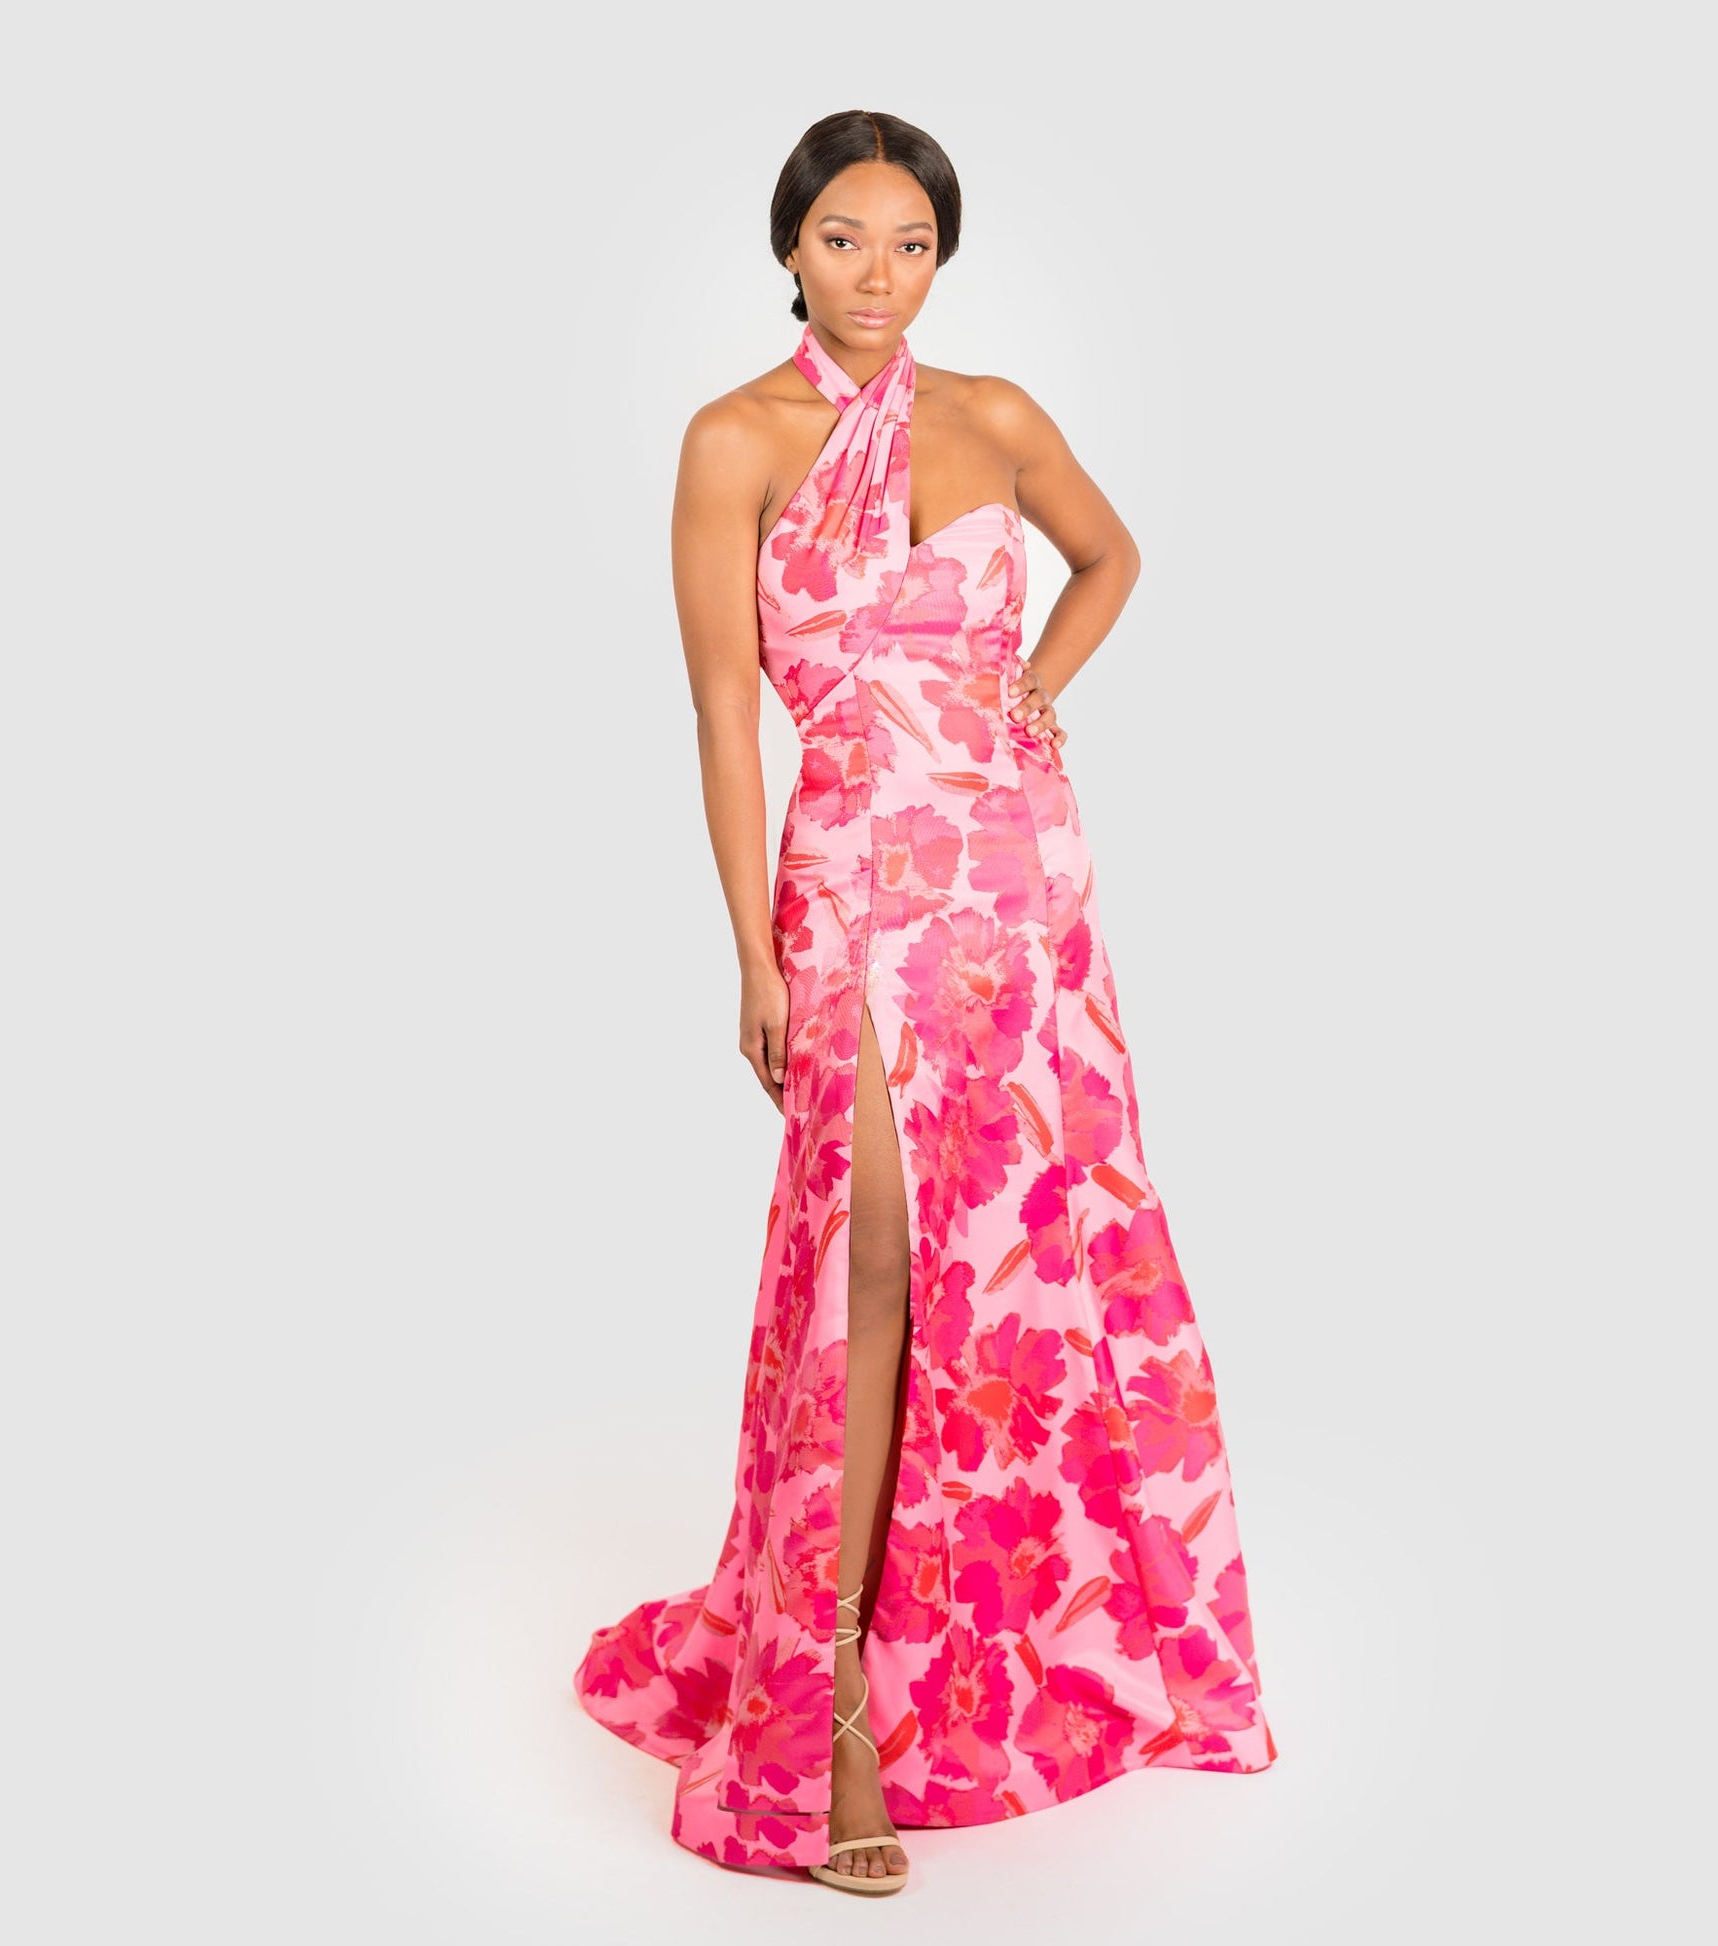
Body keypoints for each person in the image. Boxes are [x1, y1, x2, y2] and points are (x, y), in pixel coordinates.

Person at [575, 108, 1276, 1897]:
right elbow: (721, 710)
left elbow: (1111, 558)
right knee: (871, 1258)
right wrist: (751, 950)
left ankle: (972, 1638)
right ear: (787, 248)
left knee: (1016, 1257)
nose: (875, 274)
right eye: (842, 238)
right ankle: (826, 1703)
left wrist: (1031, 696)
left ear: (939, 257)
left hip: (1011, 887)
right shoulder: (733, 437)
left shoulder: (995, 416)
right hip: (840, 885)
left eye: (908, 243)